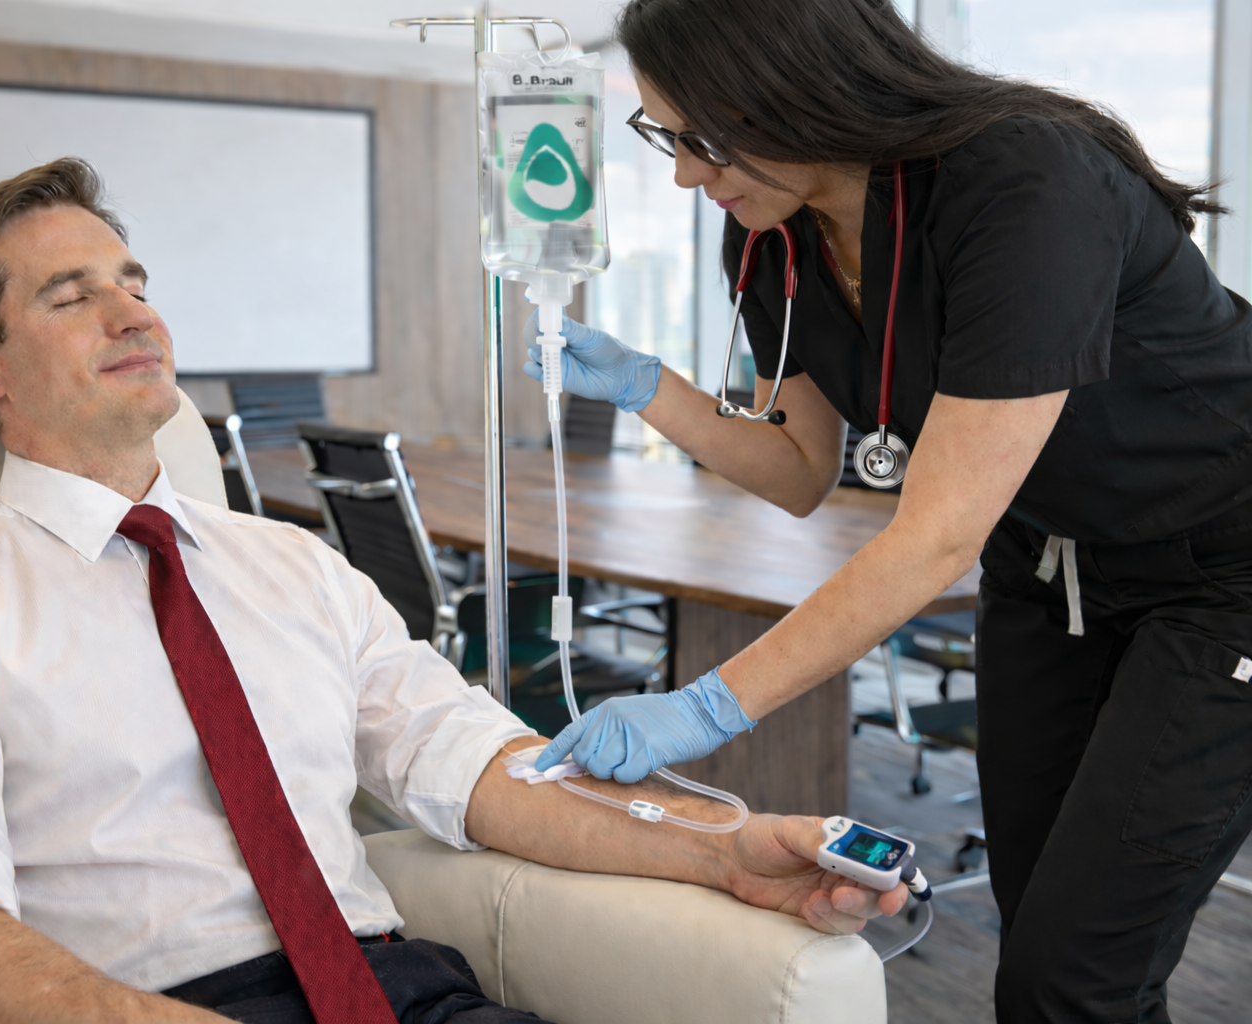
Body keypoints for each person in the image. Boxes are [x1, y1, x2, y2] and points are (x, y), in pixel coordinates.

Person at [0, 158, 905, 1024]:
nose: (135, 314)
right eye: (71, 295)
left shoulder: (291, 566)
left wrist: (722, 848)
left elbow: (481, 765)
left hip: (403, 992)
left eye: (136, 284)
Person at [522, 1, 1252, 1020]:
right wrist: (652, 389)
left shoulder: (1025, 182)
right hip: (1045, 569)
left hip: (1223, 568)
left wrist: (704, 708)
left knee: (1073, 973)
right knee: (1043, 934)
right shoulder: (773, 234)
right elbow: (796, 471)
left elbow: (935, 531)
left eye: (695, 138)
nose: (686, 173)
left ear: (789, 84)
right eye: (666, 138)